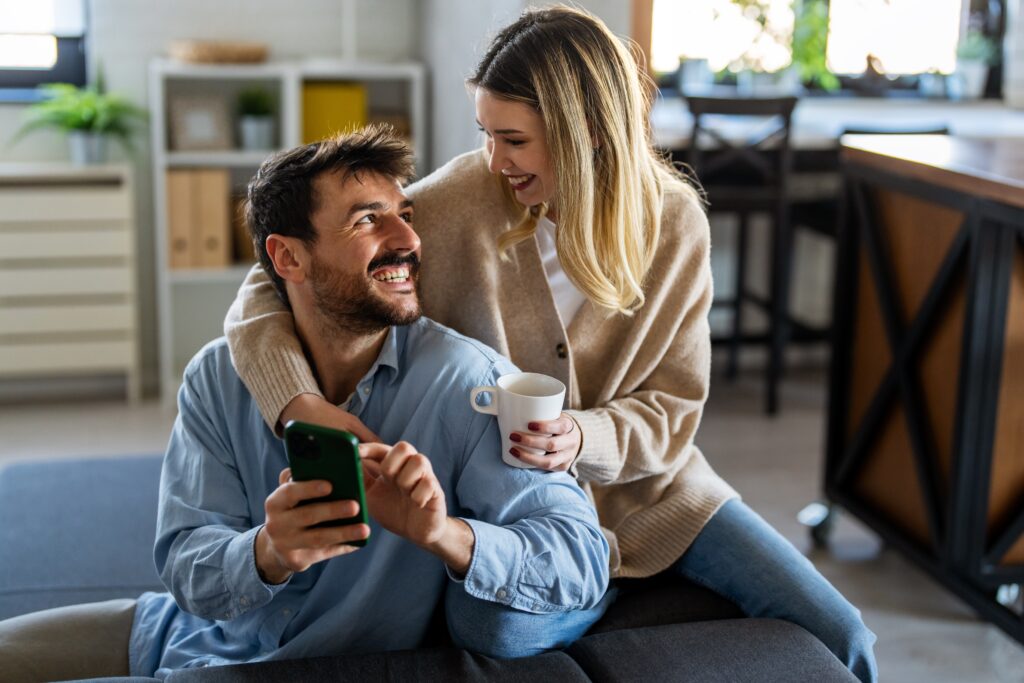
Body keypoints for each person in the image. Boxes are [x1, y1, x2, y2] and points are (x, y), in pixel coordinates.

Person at [223, 6, 877, 682]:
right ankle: (595, 586)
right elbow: (271, 279)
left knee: (843, 633)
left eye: (513, 140)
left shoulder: (675, 222)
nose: (493, 159)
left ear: (585, 132)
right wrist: (296, 400)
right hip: (522, 513)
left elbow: (673, 409)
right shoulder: (459, 202)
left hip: (659, 497)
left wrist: (581, 436)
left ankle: (604, 589)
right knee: (492, 625)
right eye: (487, 133)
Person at [0, 127, 610, 682]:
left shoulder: (465, 384)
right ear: (288, 257)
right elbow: (186, 564)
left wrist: (445, 534)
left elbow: (580, 560)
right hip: (182, 635)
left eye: (405, 215)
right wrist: (269, 552)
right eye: (367, 221)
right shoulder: (217, 377)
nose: (408, 240)